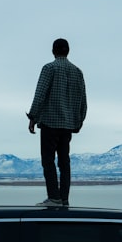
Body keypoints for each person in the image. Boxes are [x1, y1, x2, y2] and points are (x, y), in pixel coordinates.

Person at [27, 38, 87, 207]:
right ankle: (64, 198)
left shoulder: (49, 68)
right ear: (68, 51)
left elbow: (40, 94)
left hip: (50, 122)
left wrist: (33, 117)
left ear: (53, 51)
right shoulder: (77, 72)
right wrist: (79, 121)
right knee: (64, 162)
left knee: (48, 160)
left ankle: (54, 197)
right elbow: (83, 100)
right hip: (68, 125)